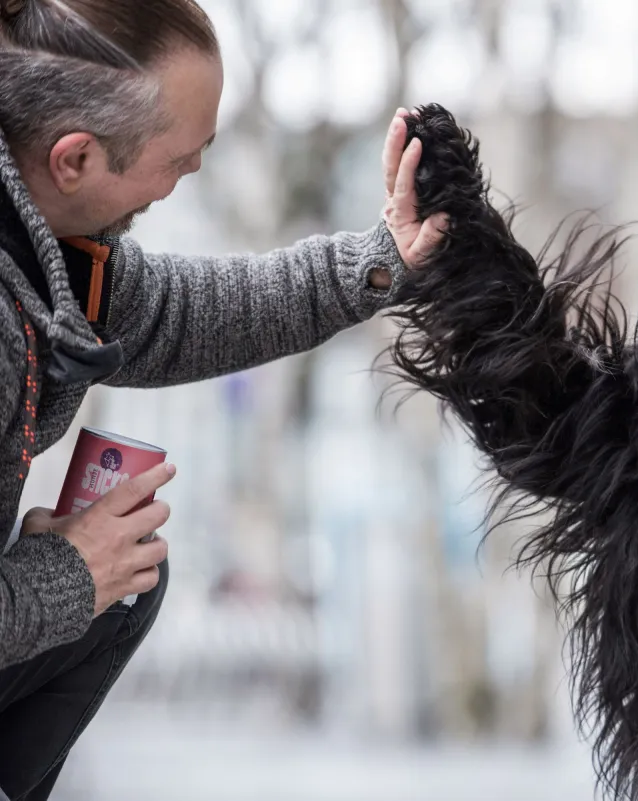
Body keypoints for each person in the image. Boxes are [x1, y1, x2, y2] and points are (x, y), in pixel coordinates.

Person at [0, 0, 446, 797]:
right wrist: (62, 573)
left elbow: (188, 311)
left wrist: (382, 258)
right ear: (74, 160)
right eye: (178, 156)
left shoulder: (48, 248)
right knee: (102, 574)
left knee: (126, 571)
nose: (194, 172)